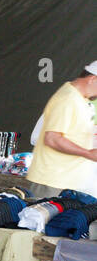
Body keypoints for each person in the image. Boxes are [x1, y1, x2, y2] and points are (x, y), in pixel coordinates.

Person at [25, 62, 97, 197]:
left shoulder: (81, 99)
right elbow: (52, 139)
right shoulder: (68, 99)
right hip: (52, 181)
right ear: (93, 79)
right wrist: (87, 153)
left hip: (67, 180)